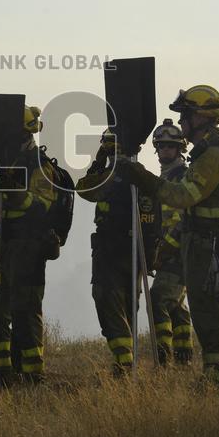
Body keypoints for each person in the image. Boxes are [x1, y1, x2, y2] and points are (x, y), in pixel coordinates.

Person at [118, 85, 219, 387]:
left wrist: (142, 177)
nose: (181, 122)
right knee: (208, 312)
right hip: (202, 244)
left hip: (207, 246)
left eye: (185, 115)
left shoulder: (213, 155)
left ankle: (215, 384)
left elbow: (183, 196)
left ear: (200, 117)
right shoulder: (209, 152)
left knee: (210, 317)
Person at [75, 130, 160, 375]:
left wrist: (99, 162)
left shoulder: (114, 178)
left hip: (116, 252)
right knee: (125, 304)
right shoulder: (141, 177)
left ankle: (124, 361)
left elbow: (85, 189)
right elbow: (84, 190)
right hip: (127, 252)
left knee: (108, 300)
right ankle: (126, 359)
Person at [0, 106, 58, 383]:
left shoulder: (38, 165)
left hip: (30, 247)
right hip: (5, 245)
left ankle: (33, 372)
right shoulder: (7, 164)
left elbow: (43, 205)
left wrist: (16, 193)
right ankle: (3, 371)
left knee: (26, 310)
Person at [147, 119, 195, 366]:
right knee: (176, 306)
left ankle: (163, 356)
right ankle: (184, 358)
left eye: (170, 146)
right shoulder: (164, 177)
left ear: (180, 149)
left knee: (158, 299)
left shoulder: (182, 177)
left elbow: (182, 219)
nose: (165, 150)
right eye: (161, 146)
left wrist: (164, 249)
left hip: (177, 251)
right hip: (169, 252)